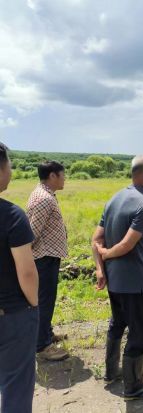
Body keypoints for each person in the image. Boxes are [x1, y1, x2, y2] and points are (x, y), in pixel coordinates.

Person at [92, 155, 143, 400]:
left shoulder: (114, 198)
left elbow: (96, 239)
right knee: (139, 332)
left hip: (114, 280)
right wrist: (108, 254)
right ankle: (134, 387)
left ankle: (111, 372)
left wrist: (100, 268)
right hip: (134, 282)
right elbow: (126, 245)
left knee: (118, 322)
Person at [0, 142, 39, 413]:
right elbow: (26, 271)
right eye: (9, 166)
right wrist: (33, 305)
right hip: (11, 314)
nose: (11, 172)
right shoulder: (12, 215)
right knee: (16, 387)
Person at [26, 161, 69, 361]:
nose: (64, 179)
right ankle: (42, 346)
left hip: (47, 255)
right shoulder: (44, 199)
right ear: (52, 176)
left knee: (47, 300)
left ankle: (46, 334)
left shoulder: (44, 194)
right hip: (44, 257)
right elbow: (32, 233)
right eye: (62, 175)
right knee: (44, 301)